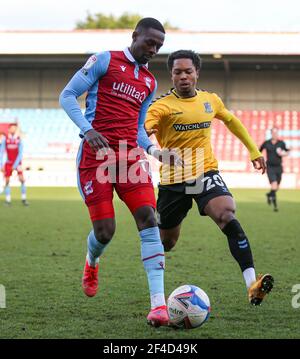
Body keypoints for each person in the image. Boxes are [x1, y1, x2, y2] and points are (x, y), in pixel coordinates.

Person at [59, 18, 172, 327]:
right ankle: (92, 261)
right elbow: (67, 96)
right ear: (135, 36)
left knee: (149, 218)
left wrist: (154, 151)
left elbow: (137, 128)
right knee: (105, 232)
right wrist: (87, 130)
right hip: (96, 158)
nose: (153, 49)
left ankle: (159, 306)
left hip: (131, 159)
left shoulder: (149, 82)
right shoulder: (105, 59)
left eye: (159, 46)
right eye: (150, 42)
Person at [145, 50, 274, 306]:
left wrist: (253, 150)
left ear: (196, 73)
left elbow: (231, 120)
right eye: (177, 72)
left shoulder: (210, 100)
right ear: (171, 75)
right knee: (167, 242)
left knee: (227, 214)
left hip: (205, 172)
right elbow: (142, 129)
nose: (183, 76)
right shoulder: (161, 106)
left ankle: (252, 285)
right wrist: (156, 151)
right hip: (173, 181)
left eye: (188, 71)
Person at [260, 127, 289, 212]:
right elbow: (259, 151)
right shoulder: (266, 143)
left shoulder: (281, 143)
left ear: (277, 133)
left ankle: (269, 195)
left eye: (276, 133)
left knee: (276, 187)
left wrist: (284, 153)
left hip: (279, 167)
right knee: (274, 185)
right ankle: (275, 206)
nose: (275, 134)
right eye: (273, 133)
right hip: (270, 167)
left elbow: (286, 151)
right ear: (271, 133)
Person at [0, 123, 28, 206]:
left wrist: (15, 165)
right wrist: (1, 165)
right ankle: (8, 201)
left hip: (17, 163)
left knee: (22, 180)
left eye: (14, 128)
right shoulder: (6, 139)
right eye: (11, 128)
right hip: (8, 163)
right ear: (9, 129)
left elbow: (20, 154)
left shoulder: (19, 140)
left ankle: (24, 199)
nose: (13, 130)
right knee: (7, 181)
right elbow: (1, 152)